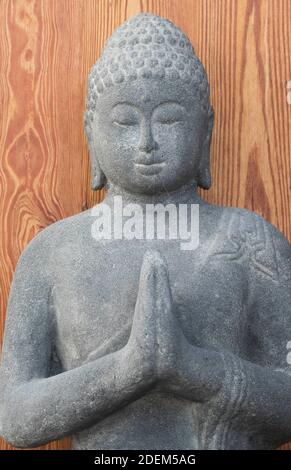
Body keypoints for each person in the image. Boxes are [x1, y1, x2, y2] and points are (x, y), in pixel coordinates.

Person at [1, 13, 291, 450]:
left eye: (170, 119)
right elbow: (15, 416)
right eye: (124, 121)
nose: (147, 142)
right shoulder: (52, 252)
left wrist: (194, 370)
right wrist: (127, 371)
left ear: (205, 130)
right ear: (91, 132)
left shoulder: (251, 242)